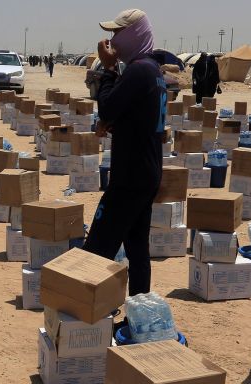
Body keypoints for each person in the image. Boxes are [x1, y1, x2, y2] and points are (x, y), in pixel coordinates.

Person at [82, 9, 166, 297]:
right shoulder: (153, 70)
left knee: (97, 247)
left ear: (134, 34)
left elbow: (106, 106)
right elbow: (138, 119)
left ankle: (81, 324)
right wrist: (116, 126)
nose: (112, 38)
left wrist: (106, 69)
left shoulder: (138, 70)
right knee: (136, 247)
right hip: (146, 172)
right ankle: (139, 312)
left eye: (118, 33)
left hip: (129, 178)